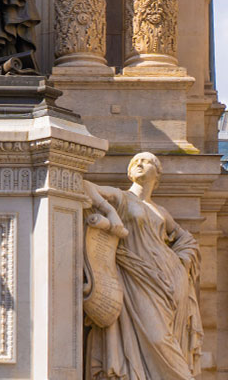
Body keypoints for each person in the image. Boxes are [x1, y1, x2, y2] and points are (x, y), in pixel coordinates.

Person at [83, 152, 203, 380]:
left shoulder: (161, 211)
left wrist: (180, 262)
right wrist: (109, 213)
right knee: (158, 338)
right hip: (135, 276)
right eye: (135, 161)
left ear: (157, 175)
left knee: (166, 336)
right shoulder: (121, 198)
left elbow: (185, 239)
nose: (139, 163)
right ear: (129, 172)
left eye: (146, 161)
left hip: (167, 282)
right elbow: (86, 187)